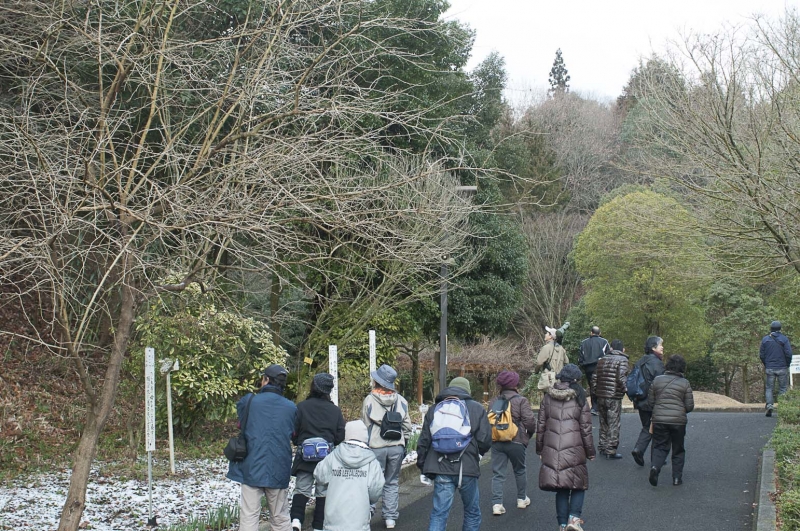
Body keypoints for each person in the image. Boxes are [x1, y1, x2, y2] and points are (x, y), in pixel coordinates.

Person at [416, 377, 493, 531]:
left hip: (441, 466)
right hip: (467, 467)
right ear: (467, 390)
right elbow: (485, 439)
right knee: (471, 512)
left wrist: (423, 467)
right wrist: (478, 455)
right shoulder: (476, 408)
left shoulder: (435, 408)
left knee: (439, 514)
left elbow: (424, 441)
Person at [227, 364, 297, 531]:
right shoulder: (291, 407)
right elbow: (294, 434)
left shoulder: (249, 401)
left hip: (252, 465)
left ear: (265, 380)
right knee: (280, 518)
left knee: (249, 517)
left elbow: (241, 424)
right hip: (279, 467)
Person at [536, 363, 595, 531]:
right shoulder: (580, 398)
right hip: (575, 449)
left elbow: (541, 425)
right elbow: (586, 428)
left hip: (552, 448)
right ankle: (574, 519)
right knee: (578, 484)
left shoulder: (548, 397)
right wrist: (590, 451)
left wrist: (540, 449)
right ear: (575, 380)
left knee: (561, 487)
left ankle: (562, 524)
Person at [291, 373, 346, 531]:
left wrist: (300, 442)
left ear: (314, 386)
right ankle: (318, 526)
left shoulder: (302, 407)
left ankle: (296, 520)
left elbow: (293, 432)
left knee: (302, 489)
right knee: (323, 492)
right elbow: (340, 436)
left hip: (305, 456)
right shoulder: (335, 410)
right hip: (326, 458)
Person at [361, 364, 413, 529]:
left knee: (373, 482)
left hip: (375, 446)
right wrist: (404, 441)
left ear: (377, 381)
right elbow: (407, 426)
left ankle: (368, 513)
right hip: (396, 446)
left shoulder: (370, 400)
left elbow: (365, 425)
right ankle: (390, 518)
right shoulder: (401, 401)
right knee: (391, 481)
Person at [313, 420, 386, 531]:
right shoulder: (371, 461)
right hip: (359, 520)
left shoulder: (333, 456)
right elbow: (376, 489)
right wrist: (370, 501)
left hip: (333, 519)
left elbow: (319, 475)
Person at [489, 370, 537, 516]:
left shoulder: (494, 401)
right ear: (515, 384)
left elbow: (489, 421)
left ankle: (497, 504)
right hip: (516, 441)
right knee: (520, 470)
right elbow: (530, 421)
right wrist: (527, 436)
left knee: (498, 473)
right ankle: (521, 499)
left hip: (497, 441)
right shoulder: (521, 400)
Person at [646, 354, 694, 487]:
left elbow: (650, 402)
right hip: (678, 421)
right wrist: (680, 411)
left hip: (659, 419)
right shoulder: (685, 383)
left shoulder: (657, 380)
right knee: (678, 449)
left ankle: (655, 467)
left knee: (659, 446)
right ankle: (677, 478)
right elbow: (689, 406)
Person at [629, 336, 666, 467]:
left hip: (640, 400)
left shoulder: (640, 361)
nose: (662, 347)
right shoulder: (657, 363)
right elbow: (661, 384)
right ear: (653, 347)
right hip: (653, 401)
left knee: (647, 426)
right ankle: (655, 458)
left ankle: (639, 449)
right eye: (660, 345)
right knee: (658, 428)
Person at [591, 339, 629, 459]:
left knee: (603, 422)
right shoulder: (623, 360)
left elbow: (594, 378)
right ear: (623, 349)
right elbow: (621, 377)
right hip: (613, 396)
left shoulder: (601, 360)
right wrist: (626, 390)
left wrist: (595, 392)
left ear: (611, 348)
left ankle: (602, 446)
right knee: (613, 423)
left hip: (601, 395)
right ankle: (610, 449)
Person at [760, 320, 793, 417]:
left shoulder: (765, 340)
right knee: (783, 388)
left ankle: (769, 406)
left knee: (769, 388)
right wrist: (787, 364)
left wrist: (766, 364)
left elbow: (761, 355)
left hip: (770, 367)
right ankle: (782, 408)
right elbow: (789, 354)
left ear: (771, 329)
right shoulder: (784, 339)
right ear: (780, 328)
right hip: (782, 367)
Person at [578, 326, 611, 414]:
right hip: (601, 367)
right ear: (599, 333)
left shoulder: (584, 343)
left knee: (592, 386)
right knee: (602, 386)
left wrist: (583, 365)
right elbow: (608, 355)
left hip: (588, 368)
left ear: (591, 333)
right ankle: (602, 406)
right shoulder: (604, 342)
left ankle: (594, 407)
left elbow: (580, 357)